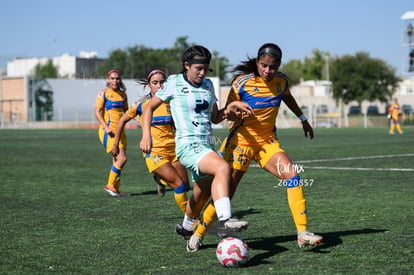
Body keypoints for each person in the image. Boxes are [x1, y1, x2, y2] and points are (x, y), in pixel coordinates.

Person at [188, 43, 323, 251]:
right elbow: (226, 112)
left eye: (273, 66)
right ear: (258, 63)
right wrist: (235, 110)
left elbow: (286, 96)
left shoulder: (282, 81)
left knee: (293, 176)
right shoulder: (241, 82)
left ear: (279, 65)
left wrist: (303, 118)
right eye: (264, 66)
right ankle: (198, 234)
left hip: (266, 143)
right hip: (240, 143)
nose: (268, 71)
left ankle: (302, 233)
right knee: (226, 192)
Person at [139, 45, 251, 251]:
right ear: (186, 65)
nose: (202, 73)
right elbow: (148, 109)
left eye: (205, 69)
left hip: (205, 145)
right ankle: (225, 219)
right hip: (187, 146)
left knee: (201, 195)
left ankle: (186, 226)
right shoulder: (174, 82)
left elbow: (215, 117)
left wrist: (230, 110)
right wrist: (146, 135)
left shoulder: (208, 85)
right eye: (198, 68)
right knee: (223, 168)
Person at [111, 69, 189, 213]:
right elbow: (122, 121)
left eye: (162, 82)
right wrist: (115, 144)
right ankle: (192, 220)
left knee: (186, 186)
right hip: (153, 151)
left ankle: (161, 180)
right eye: (155, 83)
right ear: (148, 85)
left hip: (174, 149)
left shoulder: (171, 101)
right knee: (178, 185)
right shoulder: (141, 104)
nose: (159, 86)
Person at [94, 69, 129, 197]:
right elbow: (97, 112)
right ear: (108, 80)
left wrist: (140, 119)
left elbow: (127, 112)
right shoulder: (103, 94)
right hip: (109, 132)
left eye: (117, 78)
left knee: (117, 160)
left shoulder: (123, 95)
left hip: (121, 131)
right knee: (122, 158)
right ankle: (109, 185)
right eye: (112, 78)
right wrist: (106, 127)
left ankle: (115, 189)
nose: (115, 81)